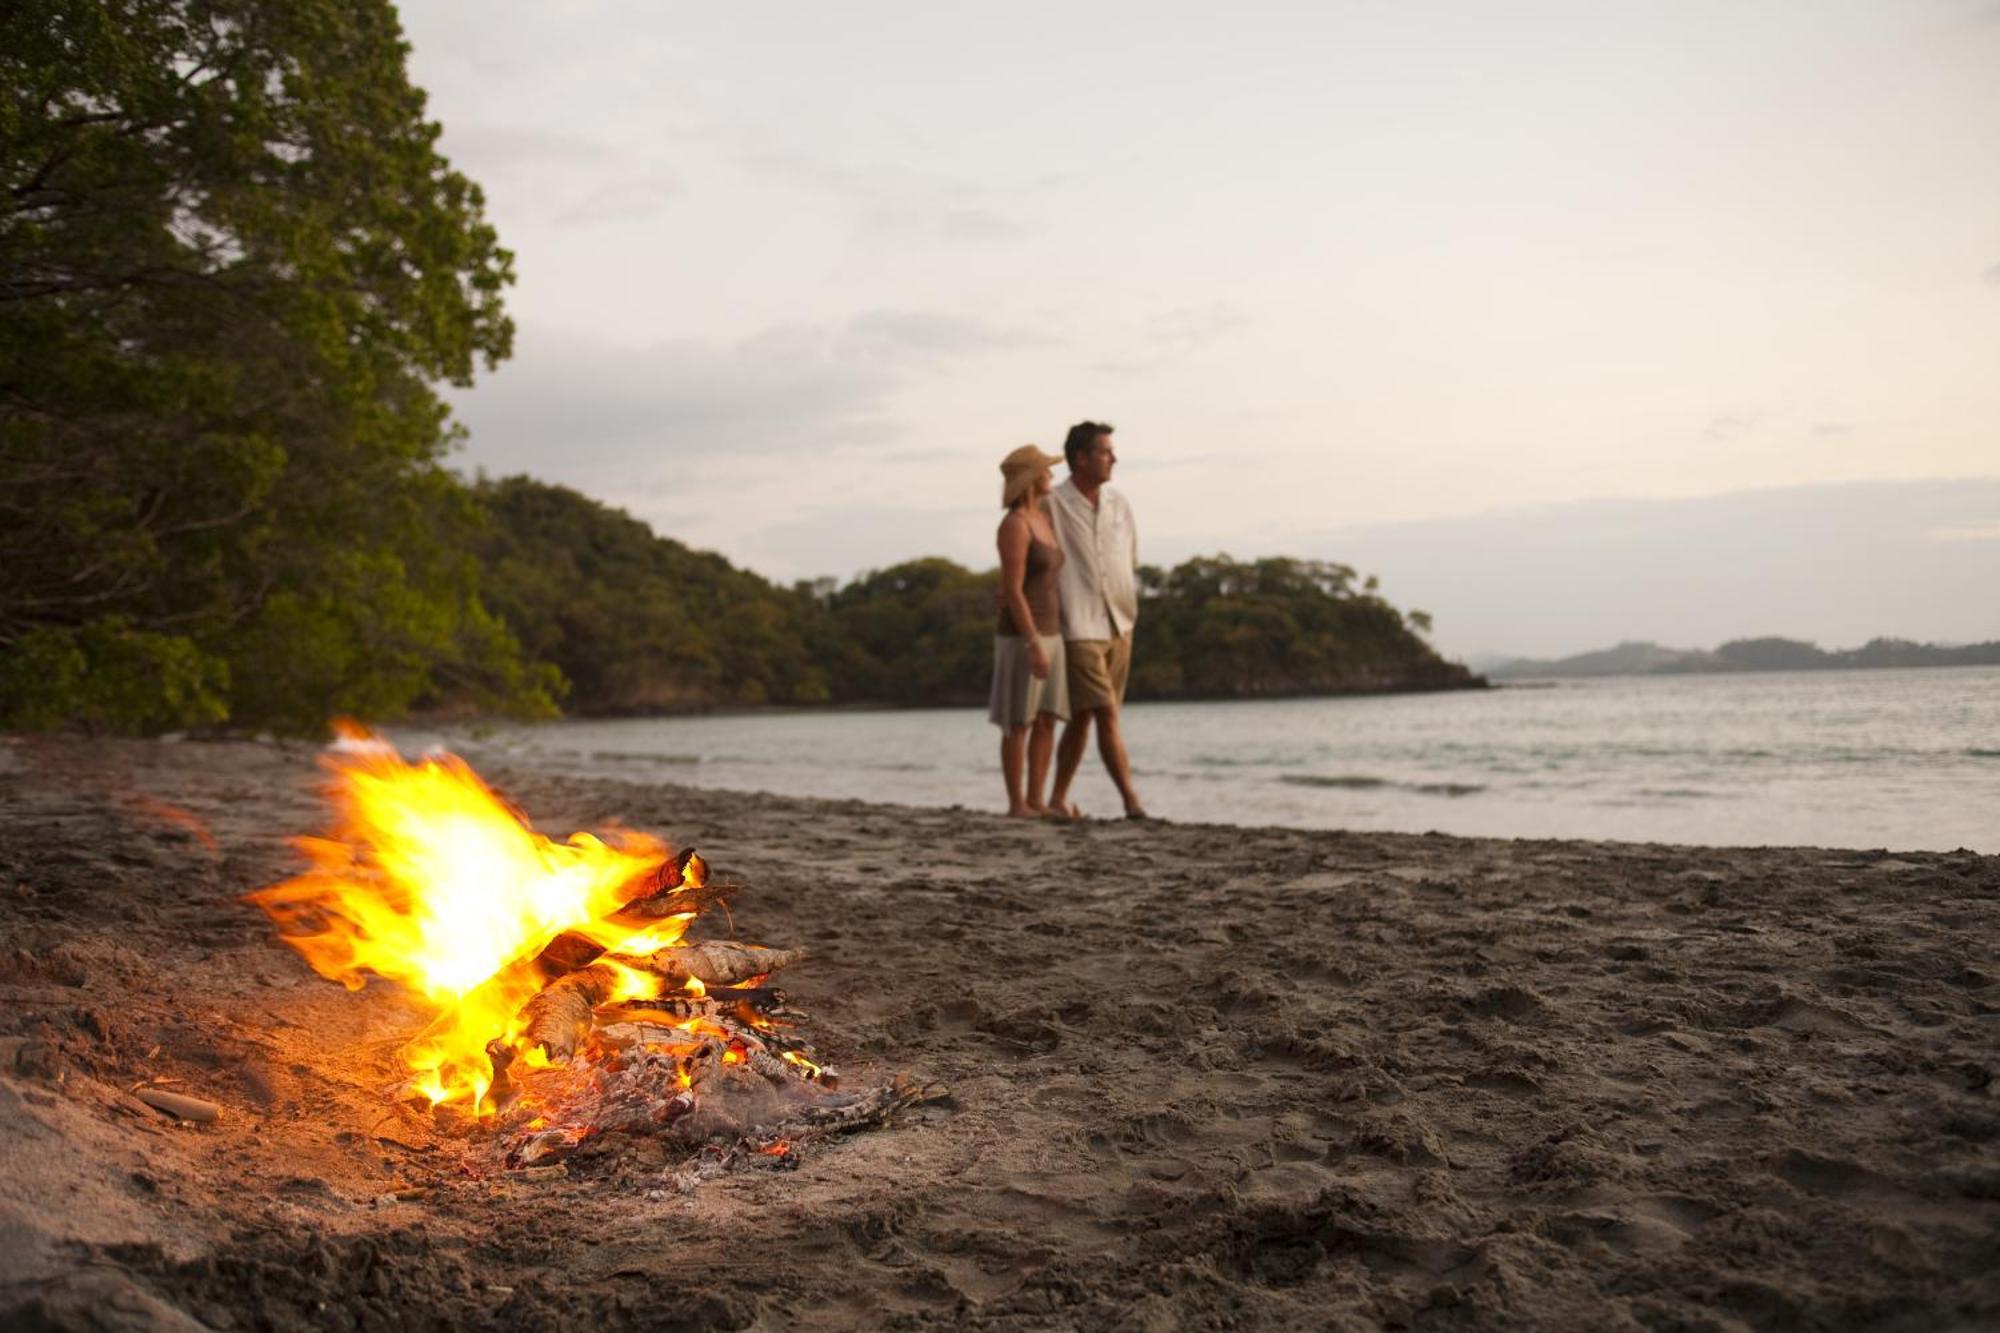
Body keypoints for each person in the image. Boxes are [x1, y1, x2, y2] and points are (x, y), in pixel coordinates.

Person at [1045, 421, 1148, 819]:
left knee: (1089, 715)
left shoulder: (1119, 503)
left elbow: (1130, 556)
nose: (1114, 458)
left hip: (1120, 621)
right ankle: (1132, 801)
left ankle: (1056, 798)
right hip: (1079, 624)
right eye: (1105, 451)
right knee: (1104, 712)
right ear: (1081, 458)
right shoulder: (1051, 503)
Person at [988, 445, 1069, 816]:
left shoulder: (1044, 519)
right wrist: (1033, 641)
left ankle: (1037, 799)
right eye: (1046, 471)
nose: (1052, 475)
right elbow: (1012, 589)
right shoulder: (1015, 525)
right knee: (1018, 721)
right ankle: (1016, 802)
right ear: (1033, 478)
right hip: (1023, 636)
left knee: (1047, 717)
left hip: (1053, 631)